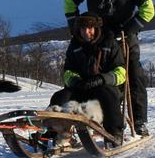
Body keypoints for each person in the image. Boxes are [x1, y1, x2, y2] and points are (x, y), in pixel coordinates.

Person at [64, 0, 155, 136]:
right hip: (96, 36)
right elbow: (69, 3)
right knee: (90, 75)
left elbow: (148, 8)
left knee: (134, 74)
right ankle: (83, 118)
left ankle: (139, 121)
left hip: (125, 35)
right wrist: (76, 27)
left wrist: (129, 29)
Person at [49, 12, 127, 142]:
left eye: (89, 28)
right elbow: (68, 71)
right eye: (82, 29)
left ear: (96, 28)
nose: (86, 32)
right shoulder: (74, 46)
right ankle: (56, 132)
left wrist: (102, 79)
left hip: (105, 89)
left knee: (107, 94)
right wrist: (75, 81)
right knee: (60, 96)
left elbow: (121, 72)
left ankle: (114, 132)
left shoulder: (110, 43)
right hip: (81, 88)